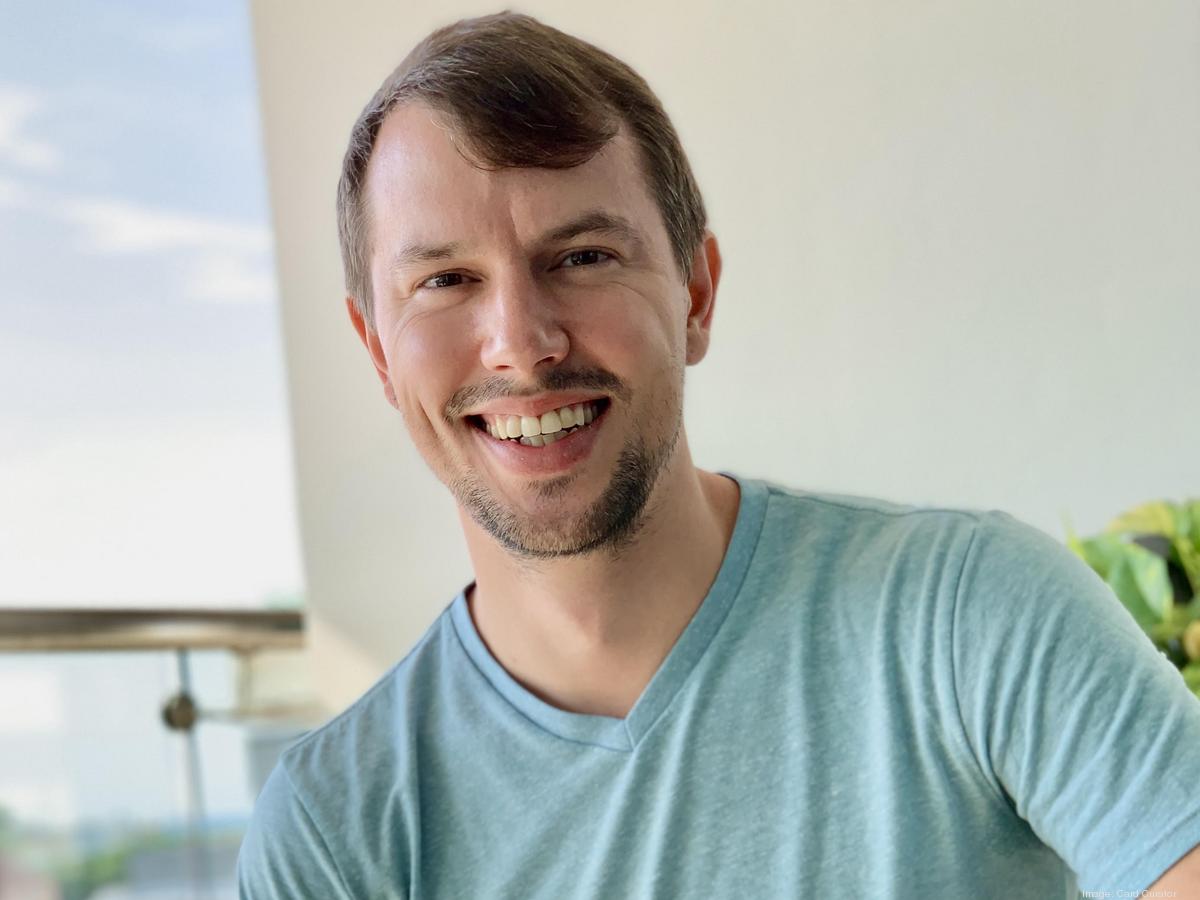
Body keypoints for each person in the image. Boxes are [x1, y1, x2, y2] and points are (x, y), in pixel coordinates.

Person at [236, 11, 1200, 898]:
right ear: (377, 351)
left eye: (583, 257)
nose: (521, 345)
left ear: (696, 293)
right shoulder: (334, 833)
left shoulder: (969, 613)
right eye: (446, 280)